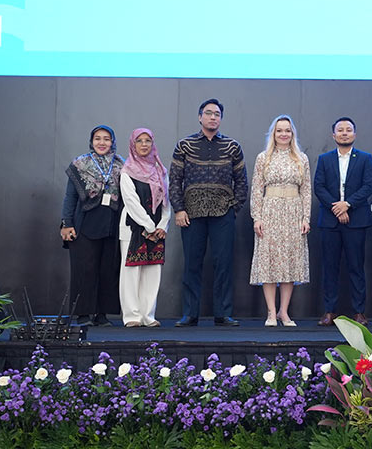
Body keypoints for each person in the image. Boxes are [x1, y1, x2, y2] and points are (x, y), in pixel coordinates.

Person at [170, 99, 248, 327]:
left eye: (217, 114)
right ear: (200, 117)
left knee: (223, 264)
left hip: (223, 213)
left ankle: (223, 314)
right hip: (191, 213)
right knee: (191, 264)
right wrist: (179, 209)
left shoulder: (232, 146)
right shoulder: (184, 145)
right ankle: (190, 314)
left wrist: (234, 208)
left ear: (221, 119)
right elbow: (174, 180)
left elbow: (241, 181)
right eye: (208, 113)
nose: (213, 117)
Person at [250, 115, 311, 327]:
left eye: (287, 130)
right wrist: (257, 217)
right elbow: (256, 189)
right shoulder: (263, 158)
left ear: (292, 134)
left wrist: (306, 218)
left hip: (293, 212)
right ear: (273, 134)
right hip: (270, 212)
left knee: (289, 263)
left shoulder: (301, 158)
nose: (283, 134)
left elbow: (306, 190)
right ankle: (270, 312)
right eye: (279, 130)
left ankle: (284, 312)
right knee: (269, 261)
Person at [61, 125, 124, 327]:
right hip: (84, 223)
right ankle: (83, 314)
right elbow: (70, 197)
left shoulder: (121, 165)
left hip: (111, 224)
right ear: (91, 141)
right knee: (84, 270)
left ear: (112, 142)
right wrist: (66, 223)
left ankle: (102, 314)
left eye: (106, 139)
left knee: (108, 269)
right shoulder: (80, 164)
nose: (102, 142)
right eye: (98, 138)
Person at [314, 117, 372, 327]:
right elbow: (319, 186)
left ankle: (359, 312)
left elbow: (368, 186)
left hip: (356, 220)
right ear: (334, 135)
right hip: (330, 221)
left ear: (354, 134)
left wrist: (347, 204)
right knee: (329, 267)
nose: (344, 133)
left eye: (349, 129)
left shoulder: (365, 158)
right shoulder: (324, 159)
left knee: (356, 267)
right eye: (340, 130)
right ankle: (329, 311)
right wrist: (337, 207)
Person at [118, 128, 170, 328]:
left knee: (152, 271)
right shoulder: (127, 171)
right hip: (133, 227)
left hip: (156, 228)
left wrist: (162, 225)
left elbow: (166, 201)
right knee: (131, 273)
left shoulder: (160, 170)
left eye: (148, 140)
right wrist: (149, 225)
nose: (144, 144)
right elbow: (131, 201)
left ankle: (148, 315)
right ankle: (132, 315)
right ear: (133, 144)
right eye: (139, 141)